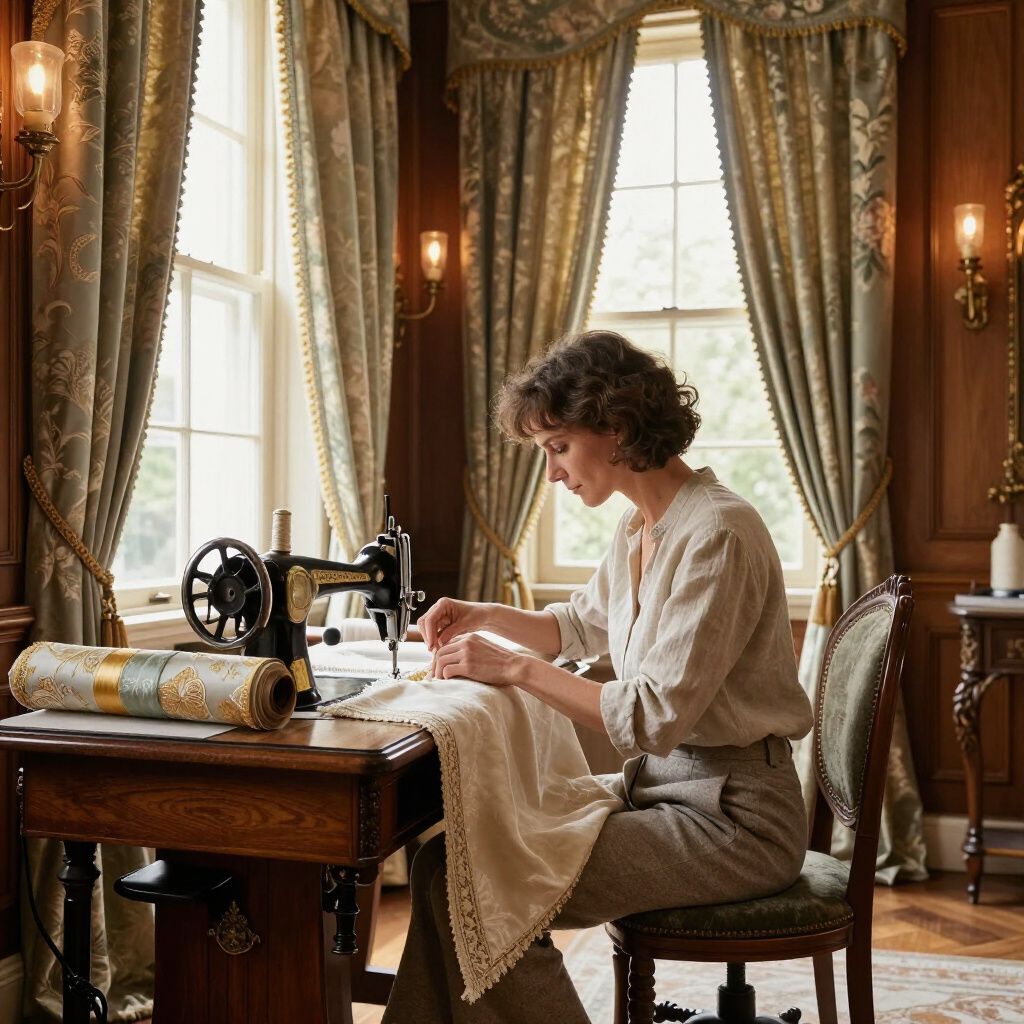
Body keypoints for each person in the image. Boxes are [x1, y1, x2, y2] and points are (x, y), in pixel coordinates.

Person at [384, 330, 814, 1023]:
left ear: (613, 426)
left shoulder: (719, 533)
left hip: (736, 820)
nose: (552, 472)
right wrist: (484, 616)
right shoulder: (640, 529)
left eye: (556, 447)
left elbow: (652, 720)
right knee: (442, 867)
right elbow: (579, 627)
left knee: (484, 881)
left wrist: (516, 667)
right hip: (666, 793)